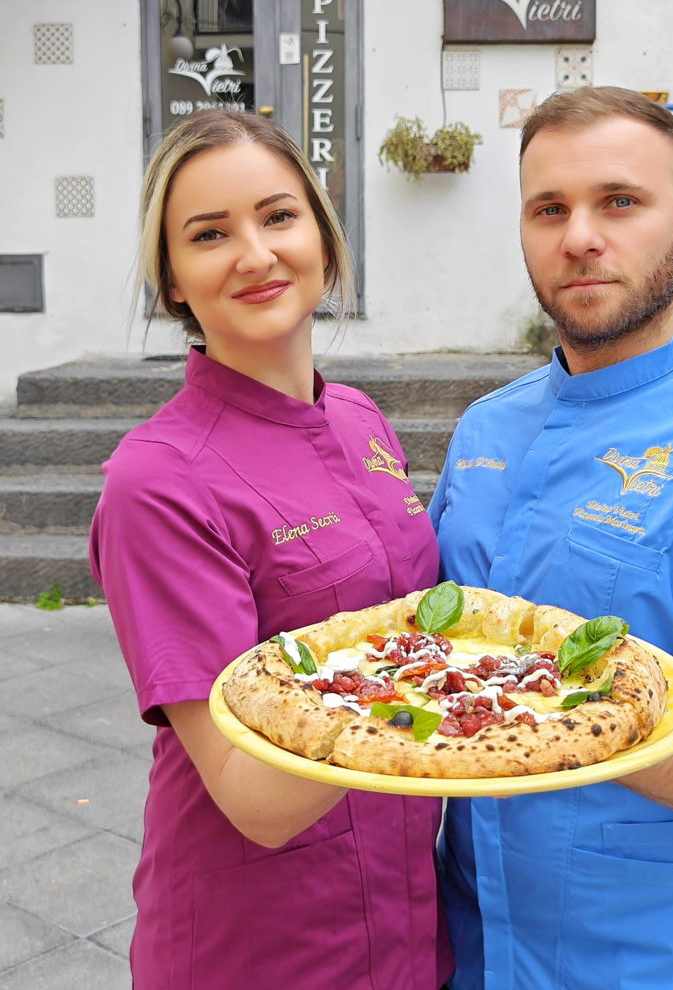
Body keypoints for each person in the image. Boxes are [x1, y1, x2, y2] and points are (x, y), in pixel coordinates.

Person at [429, 86, 673, 990]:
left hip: (657, 959)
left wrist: (535, 719)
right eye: (549, 209)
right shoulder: (486, 431)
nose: (579, 236)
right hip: (474, 942)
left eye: (619, 201)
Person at [89, 109, 453, 990]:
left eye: (278, 216)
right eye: (209, 234)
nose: (254, 254)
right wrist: (466, 690)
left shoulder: (360, 417)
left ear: (324, 241)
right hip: (261, 945)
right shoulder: (159, 481)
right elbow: (253, 797)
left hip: (411, 920)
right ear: (173, 280)